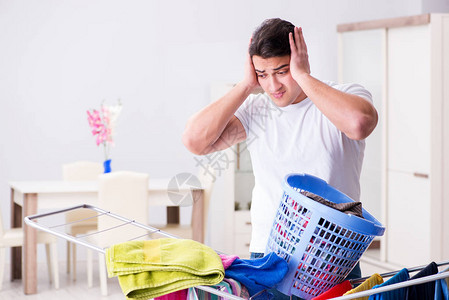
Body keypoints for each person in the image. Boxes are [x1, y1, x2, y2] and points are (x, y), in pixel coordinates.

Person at [182, 18, 378, 298]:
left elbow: (359, 124)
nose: (272, 85)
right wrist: (246, 85)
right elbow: (195, 141)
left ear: (299, 59)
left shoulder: (346, 95)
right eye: (262, 74)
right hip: (269, 253)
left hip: (334, 255)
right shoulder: (256, 109)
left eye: (281, 71)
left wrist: (304, 77)